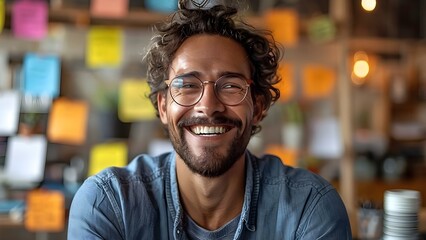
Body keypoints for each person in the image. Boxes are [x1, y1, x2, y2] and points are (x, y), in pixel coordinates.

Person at [68, 1, 352, 239]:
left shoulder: (309, 207)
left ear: (259, 106)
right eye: (187, 85)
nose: (208, 106)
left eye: (230, 86)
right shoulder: (110, 204)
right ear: (164, 106)